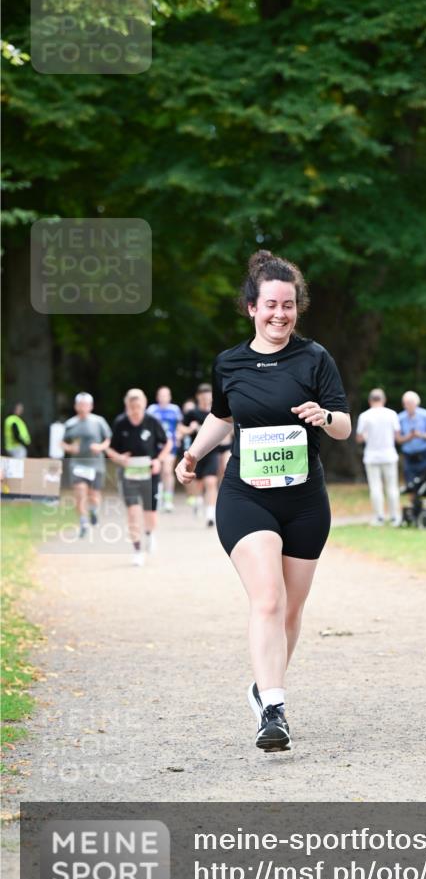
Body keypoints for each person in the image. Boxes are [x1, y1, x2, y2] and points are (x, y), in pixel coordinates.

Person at [176, 250, 350, 753]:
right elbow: (222, 416)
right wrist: (192, 455)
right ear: (252, 307)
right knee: (268, 599)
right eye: (271, 304)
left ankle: (263, 686)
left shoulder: (315, 358)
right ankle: (274, 711)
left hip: (305, 502)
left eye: (288, 305)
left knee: (290, 611)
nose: (280, 314)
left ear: (298, 308)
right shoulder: (229, 362)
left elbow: (344, 425)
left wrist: (324, 416)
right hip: (246, 496)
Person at [107, 388, 172, 566]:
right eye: (132, 407)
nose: (135, 410)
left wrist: (159, 460)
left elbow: (167, 443)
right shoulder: (121, 423)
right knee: (133, 512)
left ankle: (150, 533)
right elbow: (110, 449)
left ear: (144, 405)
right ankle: (137, 550)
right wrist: (119, 458)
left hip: (150, 472)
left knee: (150, 514)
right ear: (126, 406)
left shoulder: (152, 421)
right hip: (129, 474)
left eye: (138, 406)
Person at [61, 393, 112, 538]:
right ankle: (83, 523)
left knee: (94, 495)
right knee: (80, 492)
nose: (83, 407)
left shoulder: (99, 421)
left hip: (95, 464)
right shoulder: (70, 424)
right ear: (76, 406)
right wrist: (70, 448)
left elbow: (108, 440)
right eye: (80, 404)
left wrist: (100, 447)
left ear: (91, 406)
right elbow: (62, 442)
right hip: (77, 464)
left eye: (85, 405)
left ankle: (93, 510)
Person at [356, 388, 402, 527]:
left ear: (370, 400)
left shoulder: (365, 416)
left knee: (375, 487)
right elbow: (397, 435)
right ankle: (394, 517)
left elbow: (359, 438)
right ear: (384, 399)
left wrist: (367, 436)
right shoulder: (391, 414)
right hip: (389, 454)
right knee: (392, 487)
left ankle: (379, 517)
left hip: (372, 455)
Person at [178, 383, 221, 528]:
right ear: (198, 397)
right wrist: (190, 429)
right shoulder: (192, 413)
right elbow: (180, 428)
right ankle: (197, 501)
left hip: (212, 452)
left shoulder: (216, 412)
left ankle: (210, 515)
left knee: (211, 482)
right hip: (195, 454)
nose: (206, 398)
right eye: (203, 395)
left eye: (208, 395)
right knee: (197, 484)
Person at [147, 386, 182, 513]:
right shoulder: (152, 409)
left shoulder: (175, 409)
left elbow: (179, 426)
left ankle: (168, 500)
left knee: (167, 471)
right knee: (156, 471)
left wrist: (179, 435)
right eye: (161, 395)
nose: (163, 398)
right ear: (157, 397)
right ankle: (158, 497)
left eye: (165, 395)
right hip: (155, 446)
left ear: (169, 397)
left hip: (170, 445)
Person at [397, 390, 426, 487]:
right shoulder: (400, 417)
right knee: (410, 483)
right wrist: (408, 437)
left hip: (424, 455)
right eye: (406, 403)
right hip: (408, 456)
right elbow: (398, 439)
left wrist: (420, 435)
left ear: (416, 403)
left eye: (410, 403)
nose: (408, 406)